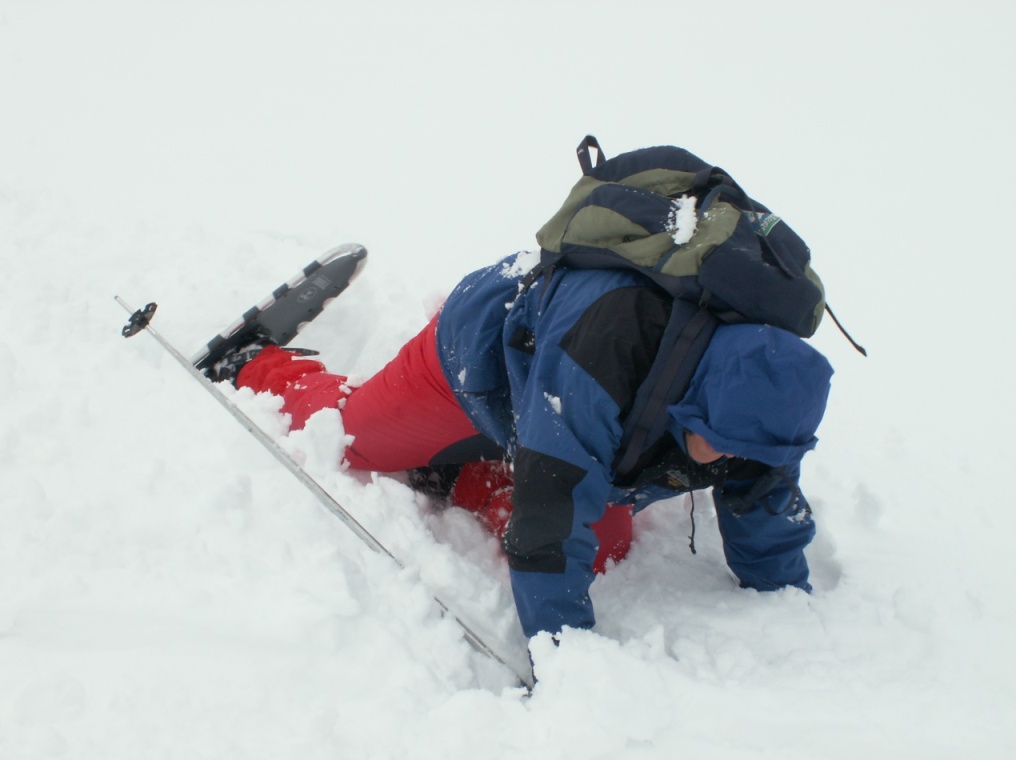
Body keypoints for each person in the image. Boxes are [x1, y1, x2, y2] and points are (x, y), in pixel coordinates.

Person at [219, 248, 834, 642]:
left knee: (603, 549)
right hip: (476, 361)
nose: (728, 461)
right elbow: (549, 533)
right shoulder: (603, 364)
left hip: (550, 413)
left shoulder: (761, 407)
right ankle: (259, 364)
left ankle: (463, 470)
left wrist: (784, 596)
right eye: (720, 443)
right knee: (348, 441)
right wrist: (563, 659)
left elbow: (762, 495)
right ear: (693, 401)